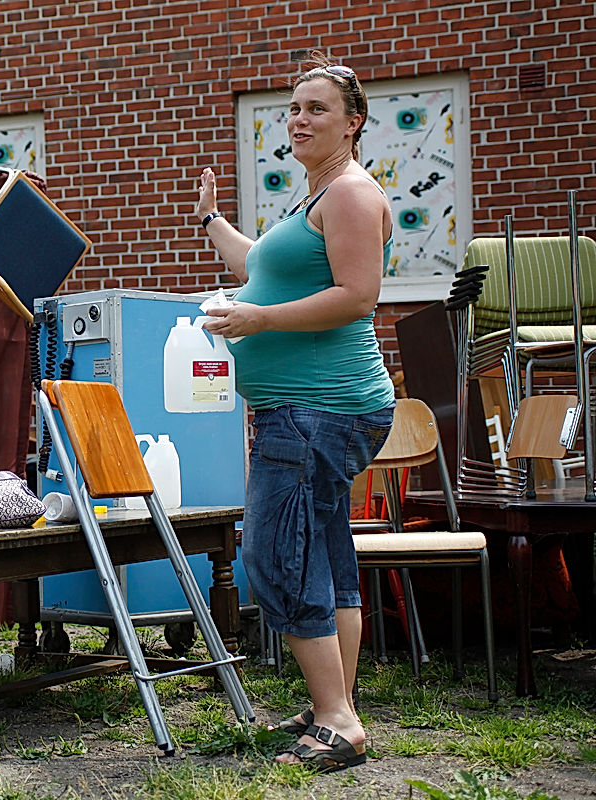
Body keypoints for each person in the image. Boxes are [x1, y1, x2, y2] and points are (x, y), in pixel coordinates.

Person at [197, 56, 395, 771]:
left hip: (318, 409)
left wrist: (260, 320)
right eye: (293, 108)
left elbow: (358, 295)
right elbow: (263, 267)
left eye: (317, 108)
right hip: (315, 410)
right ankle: (332, 708)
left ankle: (338, 721)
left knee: (278, 557)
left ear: (353, 122)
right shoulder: (314, 196)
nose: (299, 120)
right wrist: (213, 222)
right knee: (326, 555)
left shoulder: (347, 193)